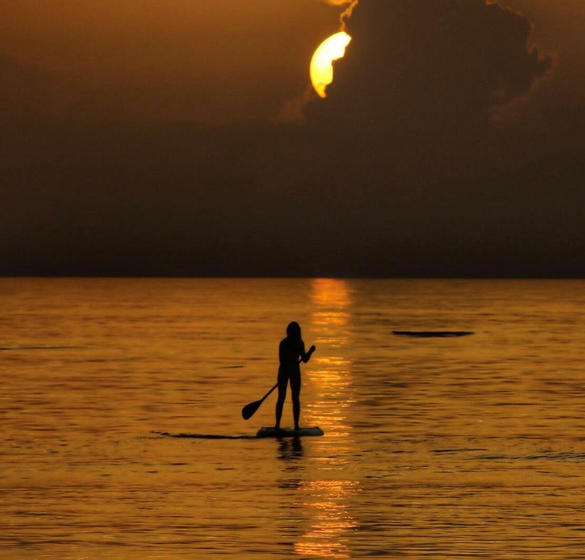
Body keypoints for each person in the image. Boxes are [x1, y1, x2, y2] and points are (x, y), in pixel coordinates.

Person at [275, 321, 316, 431]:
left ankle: (296, 426)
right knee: (281, 398)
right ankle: (277, 425)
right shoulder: (283, 343)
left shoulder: (299, 343)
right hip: (284, 371)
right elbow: (282, 360)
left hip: (294, 372)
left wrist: (310, 352)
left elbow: (305, 359)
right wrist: (290, 364)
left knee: (295, 399)